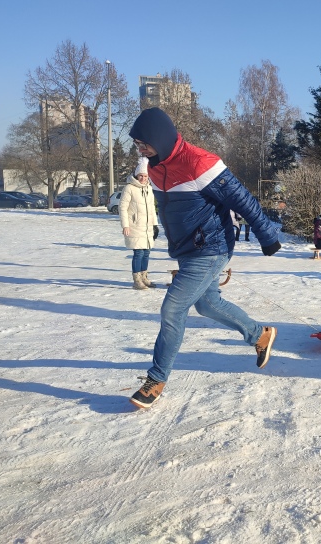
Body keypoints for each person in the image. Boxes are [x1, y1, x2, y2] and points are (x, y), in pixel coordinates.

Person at [127, 107, 282, 409]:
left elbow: (243, 199)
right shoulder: (155, 167)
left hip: (211, 248)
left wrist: (267, 236)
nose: (141, 150)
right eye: (137, 145)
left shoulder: (200, 162)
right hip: (186, 250)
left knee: (173, 308)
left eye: (144, 143)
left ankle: (156, 378)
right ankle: (259, 335)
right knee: (208, 304)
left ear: (161, 138)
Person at [119, 157, 158, 290]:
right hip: (135, 226)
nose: (143, 178)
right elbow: (122, 207)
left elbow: (152, 208)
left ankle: (144, 277)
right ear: (136, 175)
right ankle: (137, 280)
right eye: (140, 176)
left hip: (147, 227)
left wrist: (155, 225)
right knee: (139, 253)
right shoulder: (129, 188)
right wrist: (125, 225)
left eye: (145, 176)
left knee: (146, 252)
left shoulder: (149, 189)